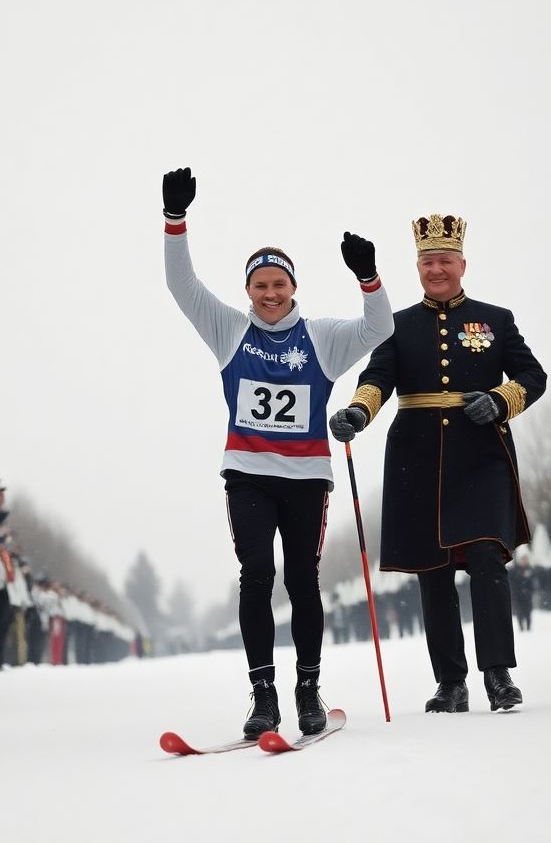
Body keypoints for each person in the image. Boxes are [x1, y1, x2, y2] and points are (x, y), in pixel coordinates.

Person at [162, 166, 393, 738]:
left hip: (307, 478)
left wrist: (369, 278)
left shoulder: (322, 337)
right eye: (260, 286)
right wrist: (175, 220)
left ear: (294, 288)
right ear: (247, 292)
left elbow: (380, 329)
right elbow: (181, 285)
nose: (270, 295)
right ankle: (263, 693)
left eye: (279, 285)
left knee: (304, 580)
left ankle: (308, 689)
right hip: (248, 475)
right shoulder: (228, 330)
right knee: (256, 575)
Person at [329, 213, 546, 714]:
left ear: (462, 264)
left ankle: (498, 675)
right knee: (434, 571)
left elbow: (534, 375)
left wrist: (500, 398)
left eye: (445, 260)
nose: (437, 269)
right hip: (417, 458)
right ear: (418, 266)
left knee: (489, 560)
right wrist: (358, 412)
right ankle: (451, 682)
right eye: (428, 261)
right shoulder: (396, 325)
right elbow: (378, 377)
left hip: (482, 454)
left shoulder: (496, 318)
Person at [509, 553, 537, 632]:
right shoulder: (514, 570)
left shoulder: (531, 570)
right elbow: (513, 583)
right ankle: (521, 628)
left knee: (528, 613)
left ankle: (528, 629)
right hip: (518, 597)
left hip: (528, 596)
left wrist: (529, 591)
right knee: (520, 613)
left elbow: (533, 584)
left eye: (525, 559)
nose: (524, 561)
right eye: (522, 559)